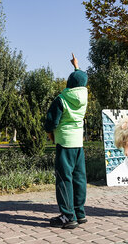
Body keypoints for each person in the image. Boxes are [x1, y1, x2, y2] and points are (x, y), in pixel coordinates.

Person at [44, 53, 88, 229]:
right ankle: (80, 213)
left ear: (68, 83)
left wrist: (50, 134)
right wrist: (76, 66)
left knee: (64, 179)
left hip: (64, 142)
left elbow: (51, 122)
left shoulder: (61, 99)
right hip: (79, 144)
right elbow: (81, 79)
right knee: (79, 178)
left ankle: (68, 217)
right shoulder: (84, 96)